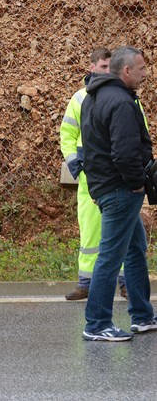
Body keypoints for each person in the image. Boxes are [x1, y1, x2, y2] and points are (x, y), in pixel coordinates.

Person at [80, 45, 157, 341]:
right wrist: (137, 183)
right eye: (141, 69)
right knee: (111, 257)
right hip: (120, 190)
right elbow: (124, 153)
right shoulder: (122, 102)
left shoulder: (93, 96)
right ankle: (97, 323)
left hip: (105, 187)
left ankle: (142, 315)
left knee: (135, 249)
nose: (145, 74)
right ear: (126, 71)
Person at [60, 48, 127, 301]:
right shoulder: (79, 99)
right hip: (90, 177)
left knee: (122, 231)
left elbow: (138, 133)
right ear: (91, 68)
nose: (107, 71)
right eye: (102, 66)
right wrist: (76, 166)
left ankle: (125, 284)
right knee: (90, 232)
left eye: (111, 67)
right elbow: (66, 134)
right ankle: (86, 284)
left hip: (118, 175)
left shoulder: (125, 96)